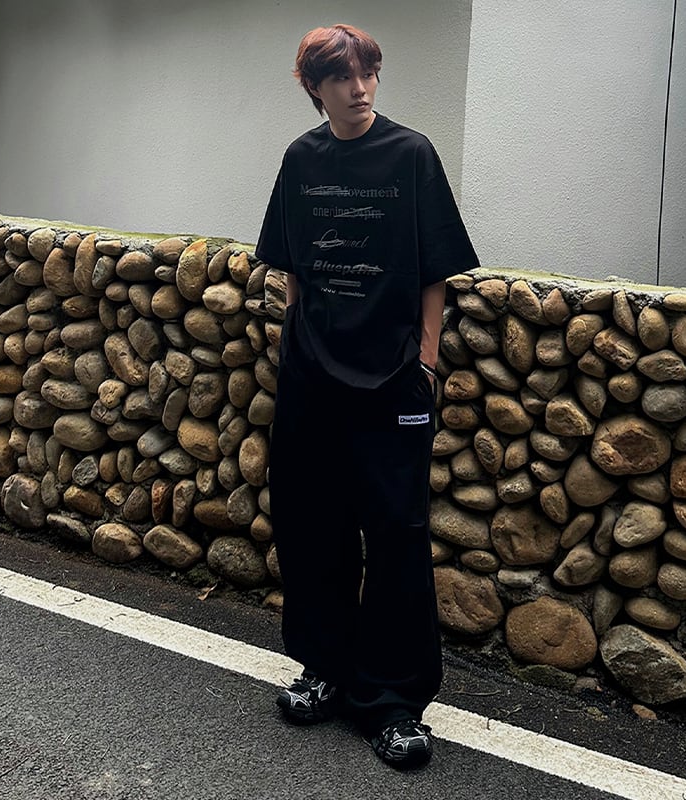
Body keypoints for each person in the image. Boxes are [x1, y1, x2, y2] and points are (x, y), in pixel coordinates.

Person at [255, 22, 479, 769]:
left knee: (396, 534)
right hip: (312, 376)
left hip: (392, 379)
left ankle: (391, 701)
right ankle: (324, 669)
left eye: (369, 73)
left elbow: (434, 269)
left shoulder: (410, 154)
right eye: (342, 78)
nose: (360, 89)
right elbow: (292, 265)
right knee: (312, 524)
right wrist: (296, 345)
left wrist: (426, 360)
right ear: (315, 88)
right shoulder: (302, 158)